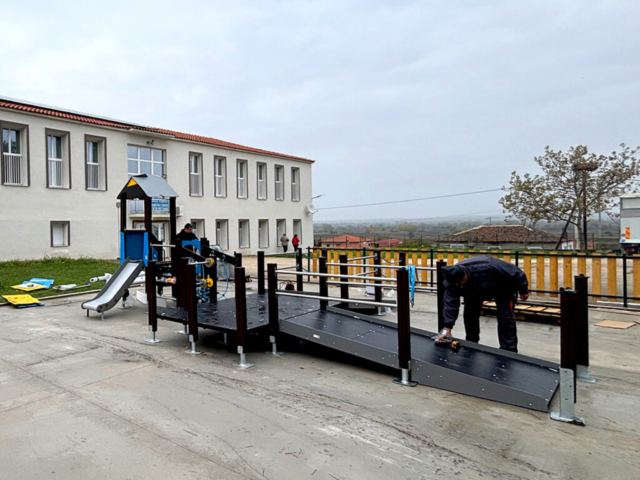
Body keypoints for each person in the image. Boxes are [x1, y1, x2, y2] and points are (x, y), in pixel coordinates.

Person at [436, 256, 529, 352]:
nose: (460, 284)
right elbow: (451, 304)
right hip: (475, 290)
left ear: (465, 274)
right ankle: (472, 343)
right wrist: (447, 327)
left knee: (506, 318)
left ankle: (509, 350)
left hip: (503, 287)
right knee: (470, 315)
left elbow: (517, 273)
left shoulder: (488, 266)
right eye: (458, 283)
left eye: (462, 281)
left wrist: (523, 290)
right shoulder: (452, 281)